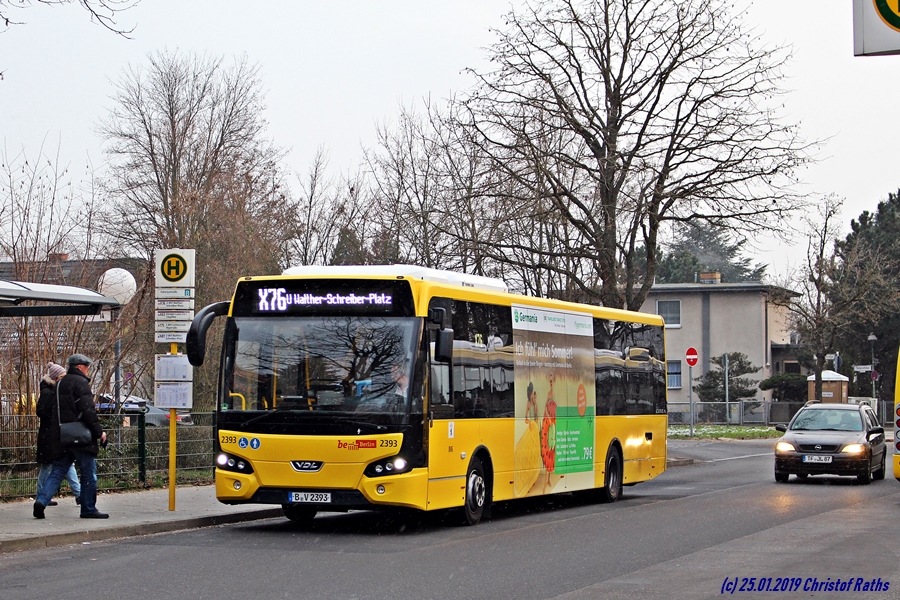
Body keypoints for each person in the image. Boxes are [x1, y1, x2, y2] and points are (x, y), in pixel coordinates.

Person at [33, 354, 108, 520]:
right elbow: (88, 411)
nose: (88, 370)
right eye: (87, 367)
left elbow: (52, 413)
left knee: (58, 471)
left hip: (62, 437)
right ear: (80, 367)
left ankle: (41, 500)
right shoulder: (81, 383)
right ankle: (88, 509)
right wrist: (99, 432)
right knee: (88, 474)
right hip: (81, 437)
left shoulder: (59, 384)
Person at [35, 362, 81, 507]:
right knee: (51, 465)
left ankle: (78, 494)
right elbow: (41, 411)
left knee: (65, 463)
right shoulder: (49, 393)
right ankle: (42, 497)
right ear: (56, 378)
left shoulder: (53, 391)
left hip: (54, 434)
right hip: (50, 435)